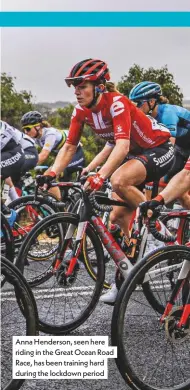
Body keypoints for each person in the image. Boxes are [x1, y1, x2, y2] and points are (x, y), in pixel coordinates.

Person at [38, 58, 175, 303]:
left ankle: (156, 233)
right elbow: (69, 146)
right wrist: (51, 173)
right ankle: (126, 276)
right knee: (117, 217)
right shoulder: (81, 111)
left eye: (82, 86)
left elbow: (121, 145)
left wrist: (101, 175)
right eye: (74, 86)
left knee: (119, 179)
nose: (77, 91)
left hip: (159, 149)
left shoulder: (118, 103)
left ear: (100, 86)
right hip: (137, 155)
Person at [129, 81, 190, 208]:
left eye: (139, 104)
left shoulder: (167, 113)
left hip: (179, 146)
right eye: (133, 104)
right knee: (181, 194)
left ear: (152, 102)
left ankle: (155, 214)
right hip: (182, 146)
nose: (135, 108)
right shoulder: (148, 118)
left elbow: (169, 149)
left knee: (163, 178)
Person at [21, 111, 85, 198]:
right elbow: (31, 154)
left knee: (48, 176)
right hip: (63, 156)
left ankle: (59, 208)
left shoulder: (49, 134)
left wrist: (24, 166)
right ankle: (61, 201)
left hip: (76, 154)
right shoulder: (36, 138)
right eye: (24, 129)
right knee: (44, 180)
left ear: (38, 126)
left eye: (28, 129)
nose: (26, 132)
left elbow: (43, 156)